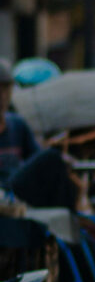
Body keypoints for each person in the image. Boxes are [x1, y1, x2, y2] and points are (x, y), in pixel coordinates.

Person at [0, 58, 40, 190]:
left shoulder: (17, 125)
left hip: (17, 195)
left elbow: (36, 159)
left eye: (6, 89)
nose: (2, 96)